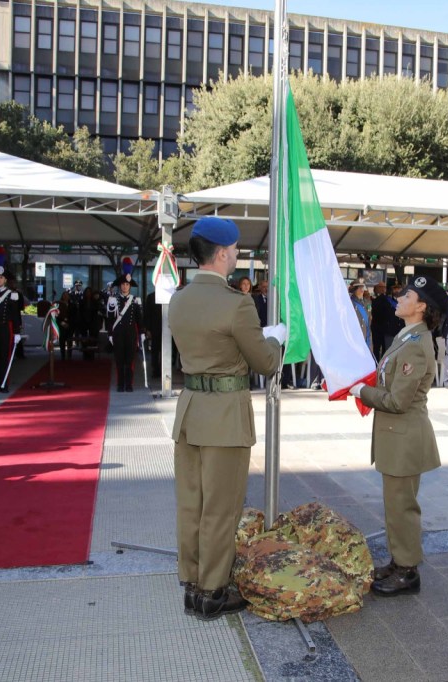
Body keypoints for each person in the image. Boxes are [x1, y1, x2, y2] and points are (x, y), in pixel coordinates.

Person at [168, 216, 285, 621]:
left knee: (192, 505)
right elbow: (266, 362)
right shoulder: (238, 304)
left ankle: (192, 583)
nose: (236, 255)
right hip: (224, 419)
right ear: (221, 254)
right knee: (220, 509)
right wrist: (277, 337)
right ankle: (213, 592)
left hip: (190, 412)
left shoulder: (179, 300)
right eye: (234, 249)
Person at [350, 275, 444, 596]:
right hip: (397, 437)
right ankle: (398, 560)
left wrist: (362, 392)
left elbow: (397, 401)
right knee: (394, 504)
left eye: (407, 296)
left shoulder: (417, 345)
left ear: (420, 307)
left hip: (405, 438)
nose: (400, 298)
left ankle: (408, 572)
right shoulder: (407, 337)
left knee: (402, 506)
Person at [108, 274, 142, 392]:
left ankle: (129, 384)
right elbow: (110, 319)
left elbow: (139, 318)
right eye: (123, 284)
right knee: (119, 360)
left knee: (130, 360)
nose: (125, 286)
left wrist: (141, 333)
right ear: (120, 286)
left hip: (131, 334)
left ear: (130, 286)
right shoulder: (113, 300)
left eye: (127, 284)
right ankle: (120, 384)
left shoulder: (136, 300)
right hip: (118, 334)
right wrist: (110, 334)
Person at [350, 282, 371, 350]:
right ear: (354, 290)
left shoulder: (367, 301)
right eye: (359, 288)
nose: (362, 289)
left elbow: (369, 314)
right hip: (355, 333)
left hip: (366, 331)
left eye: (362, 287)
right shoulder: (349, 302)